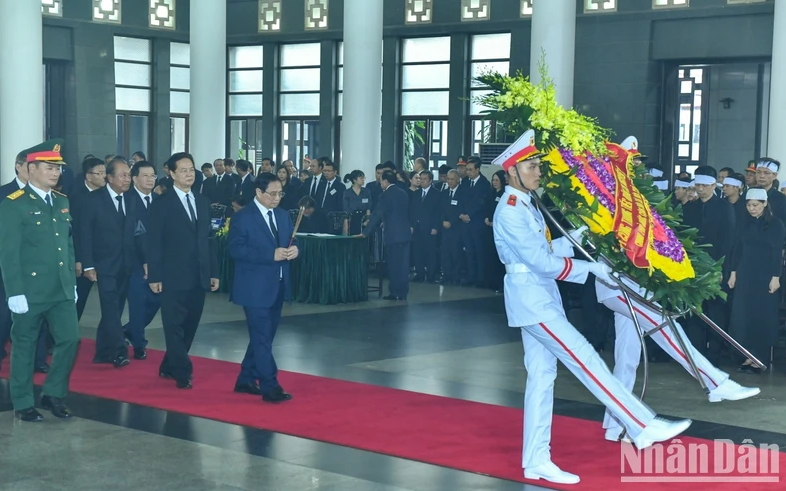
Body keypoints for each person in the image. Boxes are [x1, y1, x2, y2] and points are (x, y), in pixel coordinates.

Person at [492, 130, 691, 485]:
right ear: (512, 171)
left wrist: (583, 234)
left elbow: (550, 252)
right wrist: (591, 269)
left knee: (542, 379)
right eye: (532, 166)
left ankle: (536, 458)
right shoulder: (510, 211)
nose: (538, 172)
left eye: (538, 164)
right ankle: (641, 424)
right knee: (585, 357)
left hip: (539, 296)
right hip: (533, 300)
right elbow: (542, 263)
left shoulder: (526, 205)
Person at [595, 275, 760, 442]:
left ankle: (616, 426)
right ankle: (715, 382)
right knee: (666, 327)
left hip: (626, 288)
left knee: (626, 358)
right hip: (619, 287)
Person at [0, 139, 81, 421]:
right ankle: (22, 402)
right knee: (24, 344)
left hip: (59, 288)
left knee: (70, 339)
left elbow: (67, 245)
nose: (55, 173)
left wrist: (70, 281)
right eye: (49, 168)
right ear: (31, 168)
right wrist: (14, 292)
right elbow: (8, 253)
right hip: (30, 290)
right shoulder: (14, 205)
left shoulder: (61, 201)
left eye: (57, 169)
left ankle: (53, 393)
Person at [147, 152, 219, 389]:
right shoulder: (161, 204)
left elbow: (208, 240)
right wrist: (155, 275)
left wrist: (213, 272)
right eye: (184, 170)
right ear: (172, 173)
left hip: (198, 274)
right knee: (173, 324)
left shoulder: (202, 200)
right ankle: (182, 370)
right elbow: (154, 242)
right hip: (172, 274)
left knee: (190, 323)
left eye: (192, 169)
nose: (190, 174)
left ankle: (169, 364)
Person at [228, 172, 298, 403]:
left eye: (281, 193)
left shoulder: (283, 215)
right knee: (261, 337)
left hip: (278, 284)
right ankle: (270, 386)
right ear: (259, 192)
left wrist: (295, 250)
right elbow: (236, 249)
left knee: (264, 336)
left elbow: (290, 241)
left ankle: (246, 378)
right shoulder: (243, 217)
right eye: (273, 194)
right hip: (253, 287)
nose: (277, 198)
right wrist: (270, 255)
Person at [80, 156, 137, 368]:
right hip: (103, 265)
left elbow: (136, 233)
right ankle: (119, 351)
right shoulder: (93, 199)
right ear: (109, 177)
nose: (127, 179)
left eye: (129, 175)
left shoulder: (131, 199)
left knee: (114, 310)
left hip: (126, 264)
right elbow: (84, 234)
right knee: (111, 307)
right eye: (123, 175)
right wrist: (87, 264)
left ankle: (103, 351)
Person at [728, 187, 785, 373]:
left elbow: (777, 252)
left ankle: (759, 358)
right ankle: (747, 355)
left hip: (765, 274)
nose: (752, 209)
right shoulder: (743, 223)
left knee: (762, 315)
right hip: (746, 272)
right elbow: (737, 248)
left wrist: (776, 277)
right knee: (743, 315)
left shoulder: (775, 224)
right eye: (749, 205)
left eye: (755, 205)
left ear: (764, 204)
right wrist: (733, 272)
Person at [360, 170, 412, 301]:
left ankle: (394, 292)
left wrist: (366, 232)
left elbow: (377, 214)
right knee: (403, 265)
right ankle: (403, 292)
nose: (380, 183)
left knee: (394, 265)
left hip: (393, 235)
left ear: (385, 181)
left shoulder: (385, 195)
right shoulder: (403, 193)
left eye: (381, 181)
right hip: (404, 234)